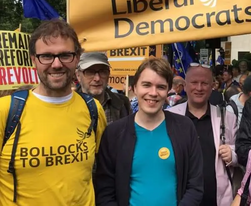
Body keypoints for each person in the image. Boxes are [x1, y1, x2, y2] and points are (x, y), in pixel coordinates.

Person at [0, 19, 107, 205]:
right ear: (34, 59)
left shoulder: (93, 109)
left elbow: (104, 172)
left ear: (77, 58)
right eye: (47, 56)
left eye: (65, 55)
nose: (56, 64)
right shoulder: (6, 111)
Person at [95, 58, 203, 206]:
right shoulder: (114, 134)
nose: (153, 93)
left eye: (160, 87)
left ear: (168, 90)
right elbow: (104, 190)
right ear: (134, 88)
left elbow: (195, 185)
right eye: (146, 85)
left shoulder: (185, 128)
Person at [168, 63, 239, 206]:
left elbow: (242, 152)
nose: (199, 88)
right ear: (185, 85)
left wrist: (233, 156)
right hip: (179, 200)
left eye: (204, 83)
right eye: (194, 83)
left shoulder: (227, 117)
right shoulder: (170, 117)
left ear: (212, 86)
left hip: (217, 200)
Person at [76, 52, 131, 124]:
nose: (97, 78)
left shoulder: (123, 103)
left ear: (108, 74)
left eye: (102, 72)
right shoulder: (68, 106)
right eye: (90, 72)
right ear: (78, 76)